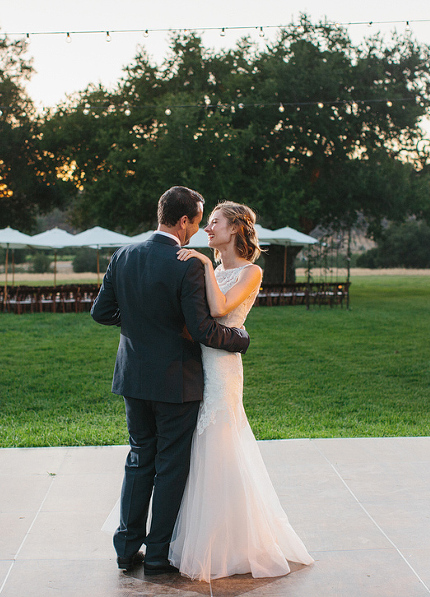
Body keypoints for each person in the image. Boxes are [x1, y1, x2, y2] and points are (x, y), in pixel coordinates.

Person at [91, 186, 252, 576]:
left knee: (138, 459)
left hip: (133, 377)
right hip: (176, 382)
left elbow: (101, 312)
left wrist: (139, 327)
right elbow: (202, 330)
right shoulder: (189, 264)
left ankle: (126, 549)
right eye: (197, 222)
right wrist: (240, 339)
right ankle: (159, 555)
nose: (197, 231)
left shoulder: (123, 254)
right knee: (170, 466)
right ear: (184, 221)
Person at [168, 201, 314, 580]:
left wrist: (200, 264)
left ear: (234, 229)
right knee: (200, 447)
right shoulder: (217, 267)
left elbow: (219, 309)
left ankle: (229, 545)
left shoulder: (251, 272)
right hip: (199, 364)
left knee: (220, 442)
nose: (206, 229)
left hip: (222, 369)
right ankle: (203, 534)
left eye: (213, 222)